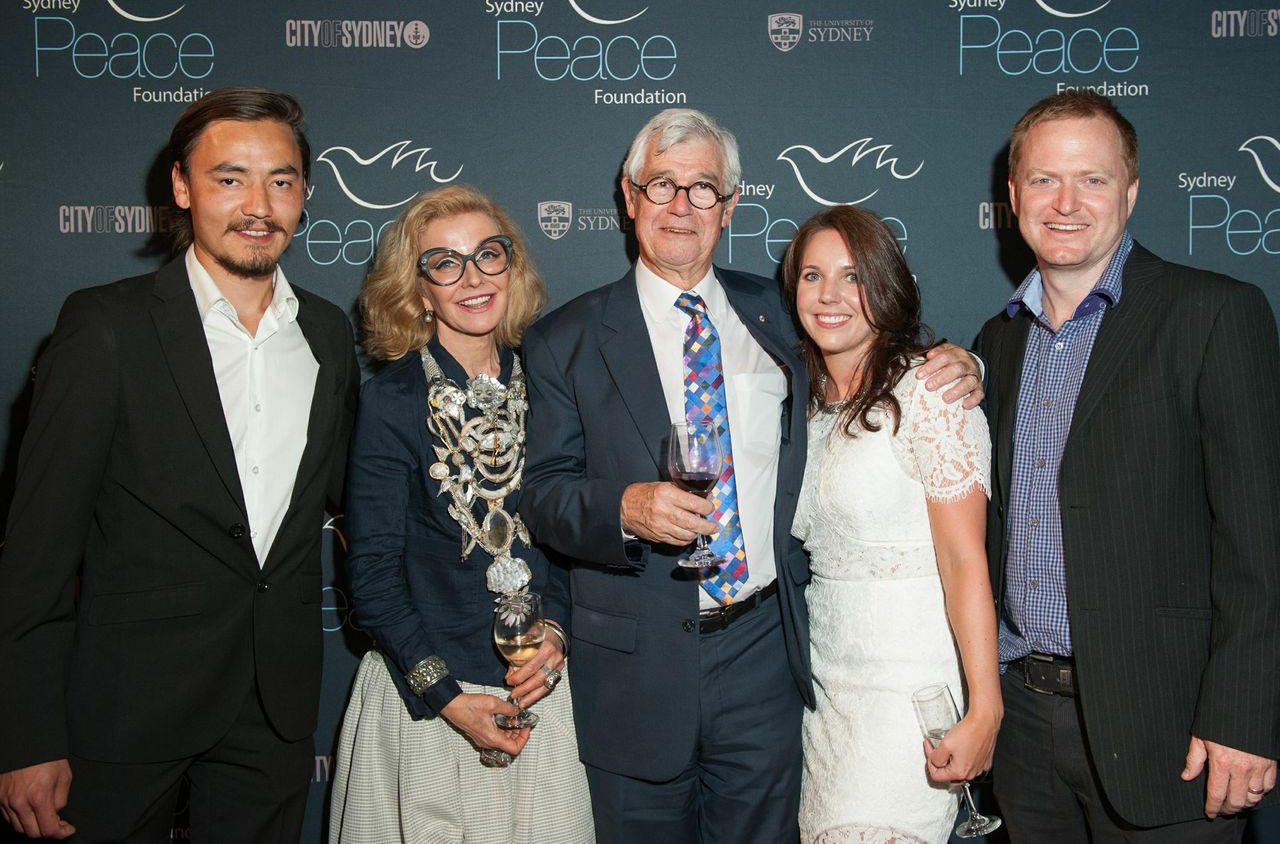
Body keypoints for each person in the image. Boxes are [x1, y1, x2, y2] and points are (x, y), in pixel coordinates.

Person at [518, 107, 982, 844]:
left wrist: (961, 361)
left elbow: (869, 352)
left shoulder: (780, 314)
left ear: (730, 205)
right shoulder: (562, 341)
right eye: (662, 184)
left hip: (765, 655)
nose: (681, 205)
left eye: (703, 188)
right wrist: (625, 508)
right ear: (629, 197)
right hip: (635, 670)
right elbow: (542, 495)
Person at [0, 87, 359, 842]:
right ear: (182, 187)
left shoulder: (328, 334)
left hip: (274, 706)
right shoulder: (105, 327)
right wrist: (27, 736)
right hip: (125, 704)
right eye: (230, 178)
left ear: (304, 193)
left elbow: (351, 503)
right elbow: (37, 552)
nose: (258, 205)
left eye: (281, 180)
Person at [976, 92, 1280, 841]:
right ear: (1013, 196)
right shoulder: (997, 343)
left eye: (1094, 179)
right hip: (1024, 730)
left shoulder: (1213, 313)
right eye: (1044, 179)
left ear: (1132, 191)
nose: (1066, 203)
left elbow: (1262, 542)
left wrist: (1244, 716)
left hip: (1172, 731)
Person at [328, 185, 594, 843]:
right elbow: (373, 577)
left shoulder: (552, 385)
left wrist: (557, 634)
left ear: (512, 266)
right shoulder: (392, 400)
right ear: (420, 290)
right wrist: (446, 698)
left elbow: (570, 539)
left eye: (488, 255)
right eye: (445, 263)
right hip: (430, 707)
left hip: (540, 695)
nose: (473, 278)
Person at [785, 206, 1001, 843]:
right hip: (826, 695)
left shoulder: (933, 394)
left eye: (853, 277)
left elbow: (965, 562)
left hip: (909, 697)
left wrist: (985, 706)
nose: (829, 295)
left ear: (885, 285)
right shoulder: (803, 407)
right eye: (812, 275)